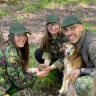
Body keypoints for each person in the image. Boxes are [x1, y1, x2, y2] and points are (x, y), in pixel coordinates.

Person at [0, 22, 49, 96]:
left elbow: (18, 70)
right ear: (11, 36)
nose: (23, 38)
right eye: (19, 35)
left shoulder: (8, 46)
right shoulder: (11, 57)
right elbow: (21, 83)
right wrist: (37, 75)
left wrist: (35, 70)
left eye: (24, 35)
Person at [61, 14, 96, 96]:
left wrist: (81, 71)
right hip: (86, 69)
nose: (69, 33)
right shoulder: (75, 39)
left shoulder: (92, 45)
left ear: (81, 27)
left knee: (82, 85)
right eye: (66, 30)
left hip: (91, 73)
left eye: (73, 28)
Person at [34, 14, 68, 84]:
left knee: (60, 81)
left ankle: (55, 69)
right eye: (50, 25)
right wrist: (46, 66)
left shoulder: (64, 38)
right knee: (38, 52)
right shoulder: (47, 37)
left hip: (64, 62)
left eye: (55, 24)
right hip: (54, 59)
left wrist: (50, 68)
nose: (53, 27)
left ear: (59, 25)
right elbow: (47, 53)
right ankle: (49, 68)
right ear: (46, 27)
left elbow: (63, 59)